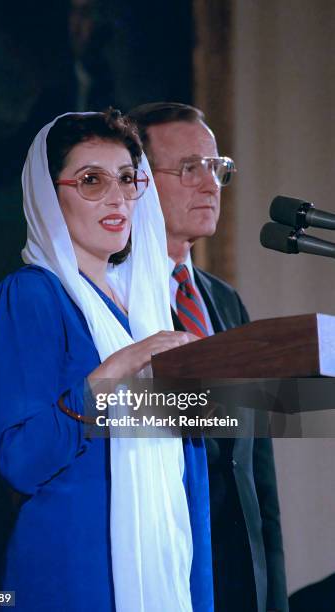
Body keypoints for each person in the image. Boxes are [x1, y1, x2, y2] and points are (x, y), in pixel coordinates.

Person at [0, 109, 214, 611]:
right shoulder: (32, 295)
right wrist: (109, 376)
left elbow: (187, 471)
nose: (116, 196)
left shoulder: (152, 308)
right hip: (73, 574)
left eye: (128, 179)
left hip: (167, 565)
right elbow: (21, 461)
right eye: (91, 180)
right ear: (49, 196)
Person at [128, 102, 289, 612]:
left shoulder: (225, 301)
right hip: (164, 570)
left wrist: (273, 592)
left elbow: (256, 468)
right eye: (189, 168)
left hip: (243, 574)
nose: (209, 184)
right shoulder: (115, 301)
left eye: (216, 168)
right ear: (139, 184)